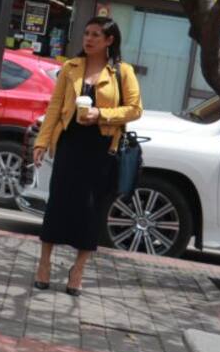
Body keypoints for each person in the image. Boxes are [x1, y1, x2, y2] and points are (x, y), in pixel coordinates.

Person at [31, 16, 142, 295]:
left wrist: (100, 114)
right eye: (86, 33)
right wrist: (41, 142)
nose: (89, 39)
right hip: (69, 144)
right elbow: (55, 107)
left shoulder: (123, 72)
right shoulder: (71, 67)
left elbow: (134, 109)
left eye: (95, 35)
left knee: (90, 210)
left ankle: (78, 269)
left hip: (101, 148)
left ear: (109, 40)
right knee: (57, 203)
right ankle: (44, 264)